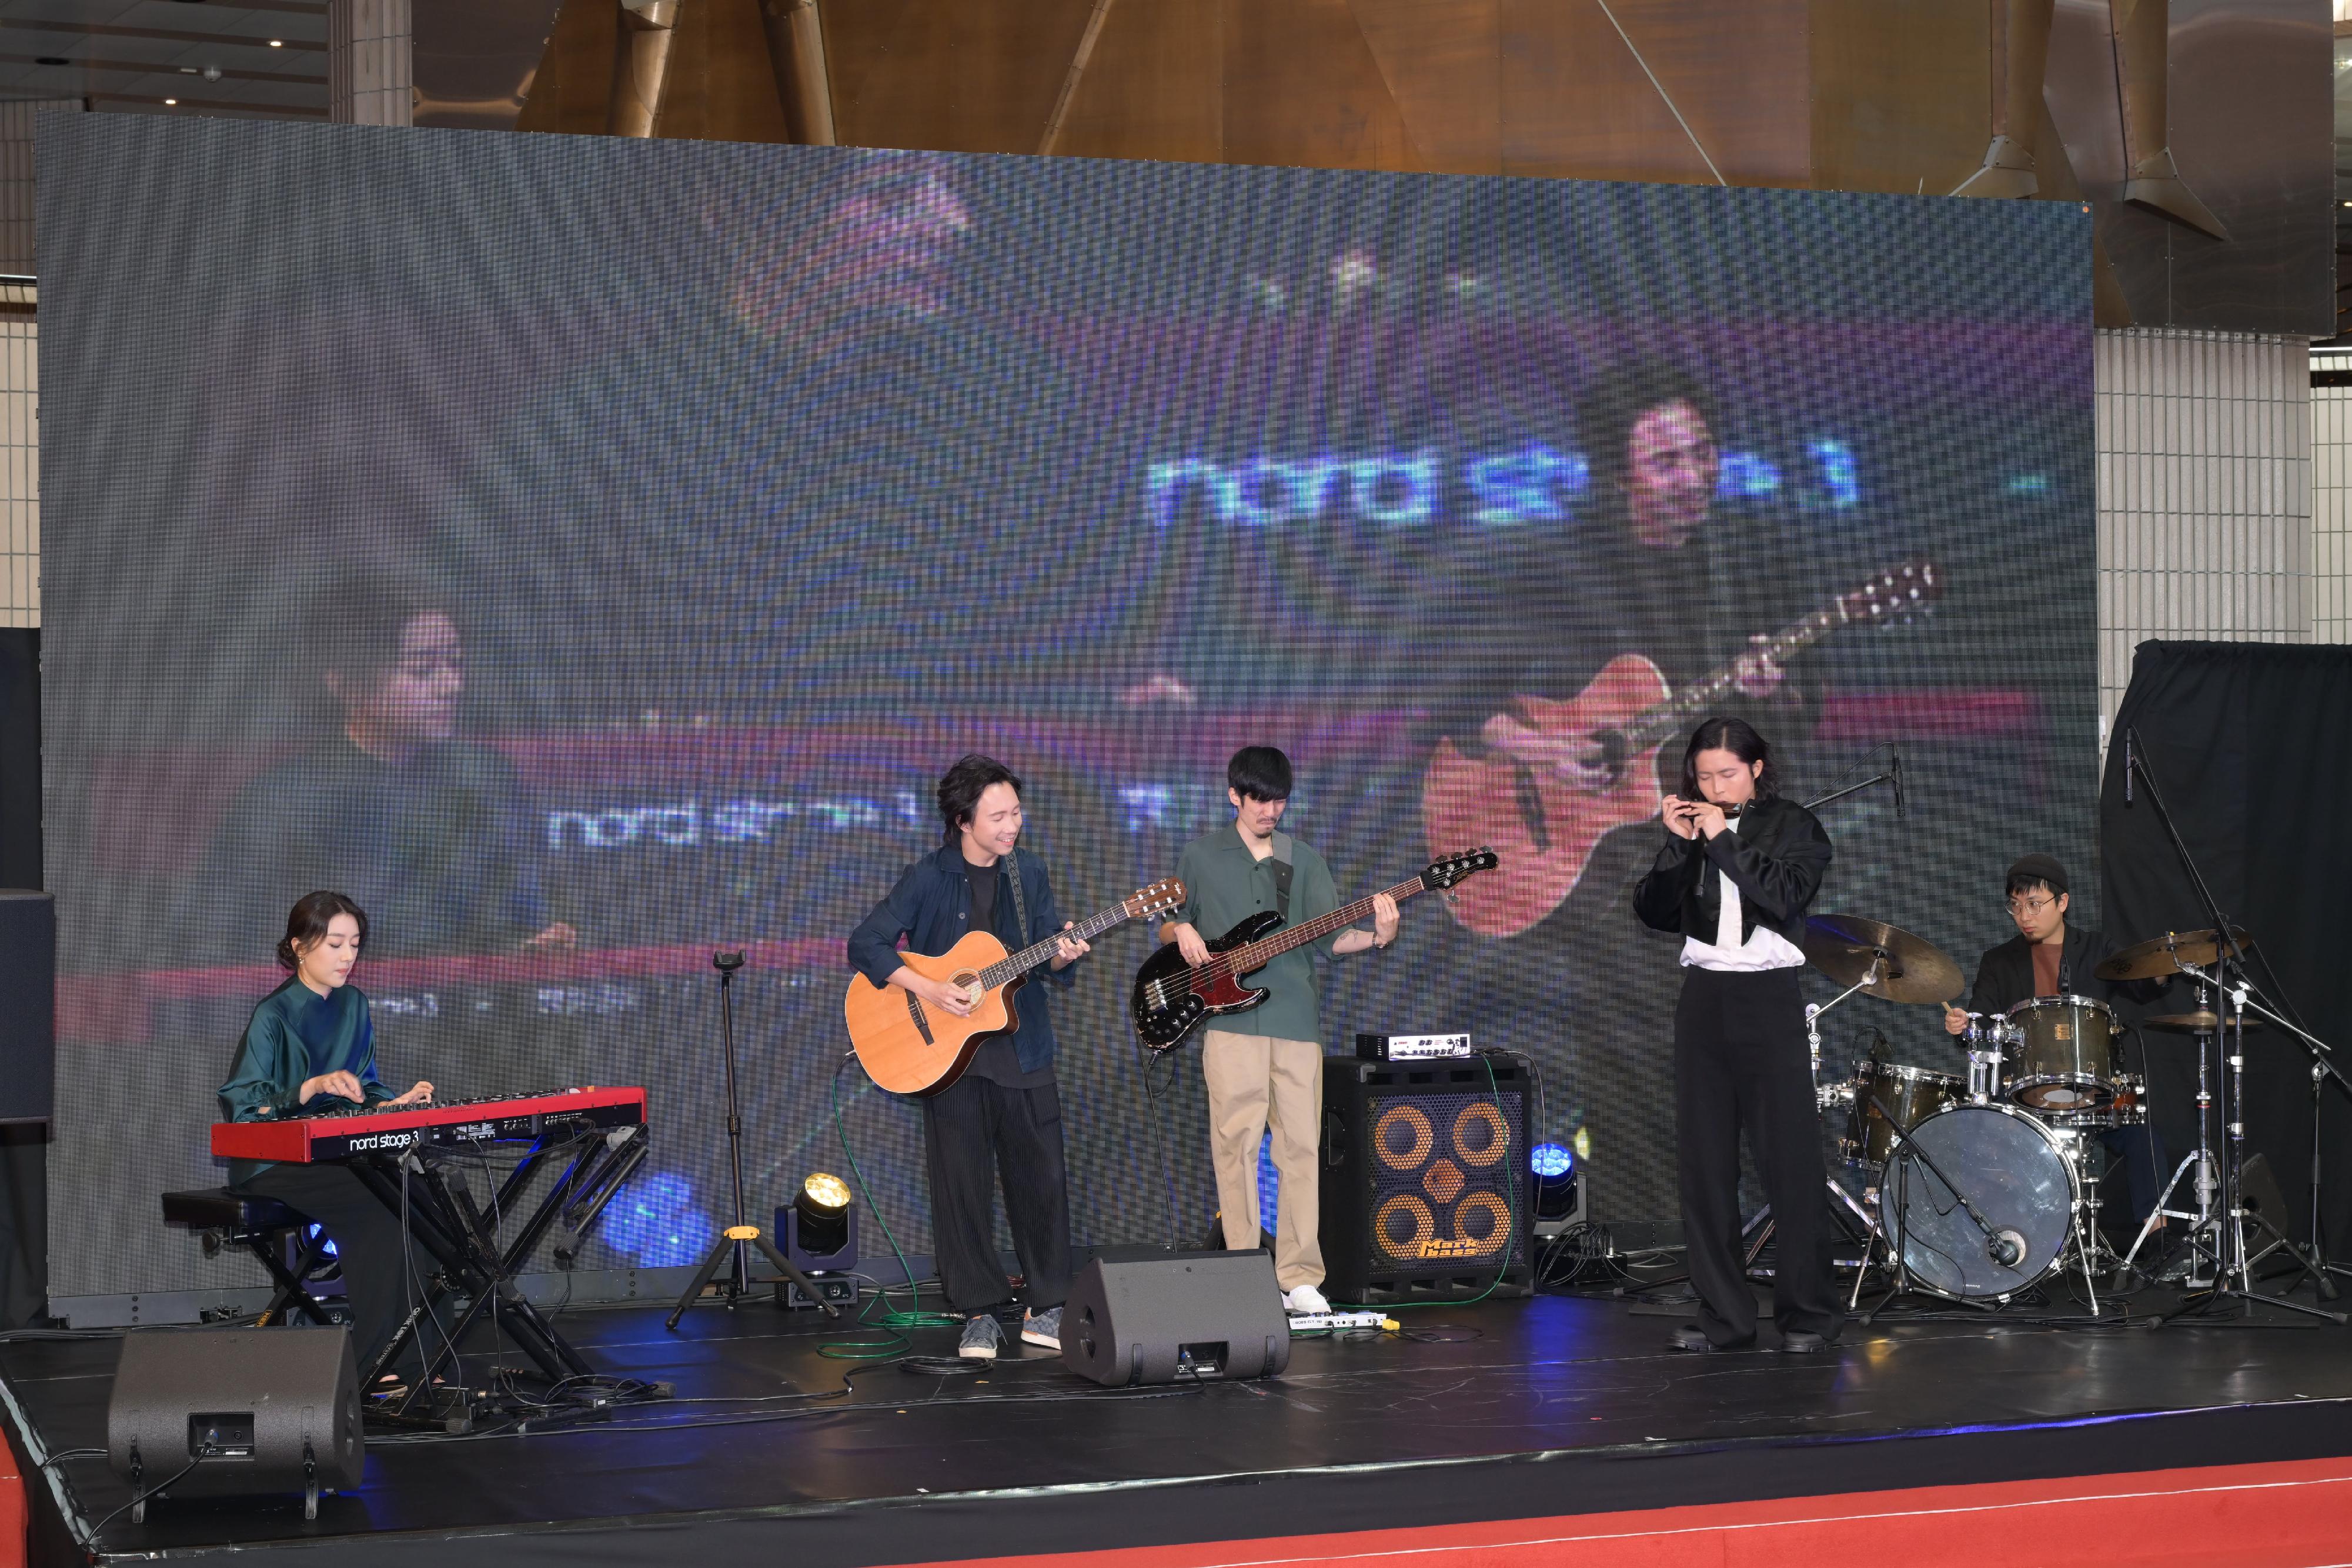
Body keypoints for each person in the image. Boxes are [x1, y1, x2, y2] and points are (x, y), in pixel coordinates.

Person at [188, 573, 574, 962]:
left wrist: (534, 942)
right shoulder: (285, 799)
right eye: (423, 669)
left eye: (455, 663)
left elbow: (525, 909)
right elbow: (225, 936)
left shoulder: (488, 779)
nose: (451, 684)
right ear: (346, 683)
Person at [846, 755, 1092, 1360]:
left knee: (1042, 1182)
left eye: (1017, 812)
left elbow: (1045, 960)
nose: (1013, 824)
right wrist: (930, 989)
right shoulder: (928, 877)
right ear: (963, 821)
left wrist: (1064, 955)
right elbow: (866, 944)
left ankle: (1047, 1305)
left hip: (1022, 1047)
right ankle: (978, 1311)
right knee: (962, 1188)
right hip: (949, 1060)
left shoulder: (1027, 872)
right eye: (999, 815)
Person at [1160, 746, 1400, 1316]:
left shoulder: (1304, 861)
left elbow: (1329, 940)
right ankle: (1243, 1270)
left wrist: (1377, 937)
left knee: (1299, 1150)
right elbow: (1166, 923)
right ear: (1233, 796)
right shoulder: (1199, 856)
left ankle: (1299, 1278)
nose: (1271, 811)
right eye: (1260, 800)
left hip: (1296, 1021)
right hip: (1229, 1023)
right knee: (1234, 1147)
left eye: (1279, 801)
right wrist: (1183, 931)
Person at [1633, 717, 1839, 1353]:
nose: (1713, 786)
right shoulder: (1692, 829)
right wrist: (1678, 847)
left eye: (1726, 773)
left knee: (1789, 1164)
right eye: (1702, 776)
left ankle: (1807, 1315)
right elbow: (1654, 911)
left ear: (1755, 769)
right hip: (1704, 999)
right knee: (1705, 1165)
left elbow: (1782, 895)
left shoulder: (1795, 826)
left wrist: (1722, 838)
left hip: (1767, 999)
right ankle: (1726, 1315)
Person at [218, 891, 437, 1387]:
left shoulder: (355, 1004)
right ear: (299, 947)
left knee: (423, 1200)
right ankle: (378, 1364)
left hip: (336, 1153)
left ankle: (420, 1357)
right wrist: (309, 1087)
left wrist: (390, 1103)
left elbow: (363, 1082)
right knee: (379, 1204)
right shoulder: (273, 1015)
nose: (347, 956)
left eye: (355, 944)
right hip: (274, 1160)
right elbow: (243, 1104)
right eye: (335, 943)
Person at [1942, 853, 2167, 1229]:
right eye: (2015, 907)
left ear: (2063, 903)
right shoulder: (1999, 961)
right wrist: (1964, 1024)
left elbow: (2143, 986)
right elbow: (1980, 1022)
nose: (2024, 917)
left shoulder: (2097, 950)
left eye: (2034, 905)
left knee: (2144, 1137)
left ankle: (2157, 1240)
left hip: (2092, 1091)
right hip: (2022, 1096)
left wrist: (2163, 966)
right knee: (1978, 1137)